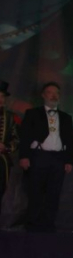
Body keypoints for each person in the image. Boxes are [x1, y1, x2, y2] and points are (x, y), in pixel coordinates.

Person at [19, 82, 73, 232]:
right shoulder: (33, 113)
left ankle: (48, 224)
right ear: (43, 95)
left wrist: (69, 160)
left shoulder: (66, 117)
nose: (54, 96)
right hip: (38, 156)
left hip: (58, 158)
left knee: (54, 192)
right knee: (35, 191)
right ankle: (32, 225)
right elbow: (25, 136)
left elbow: (69, 140)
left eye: (57, 93)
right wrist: (24, 156)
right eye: (50, 92)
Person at [0, 80, 19, 214]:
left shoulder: (11, 117)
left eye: (2, 96)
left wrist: (5, 147)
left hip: (2, 161)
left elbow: (16, 139)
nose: (0, 99)